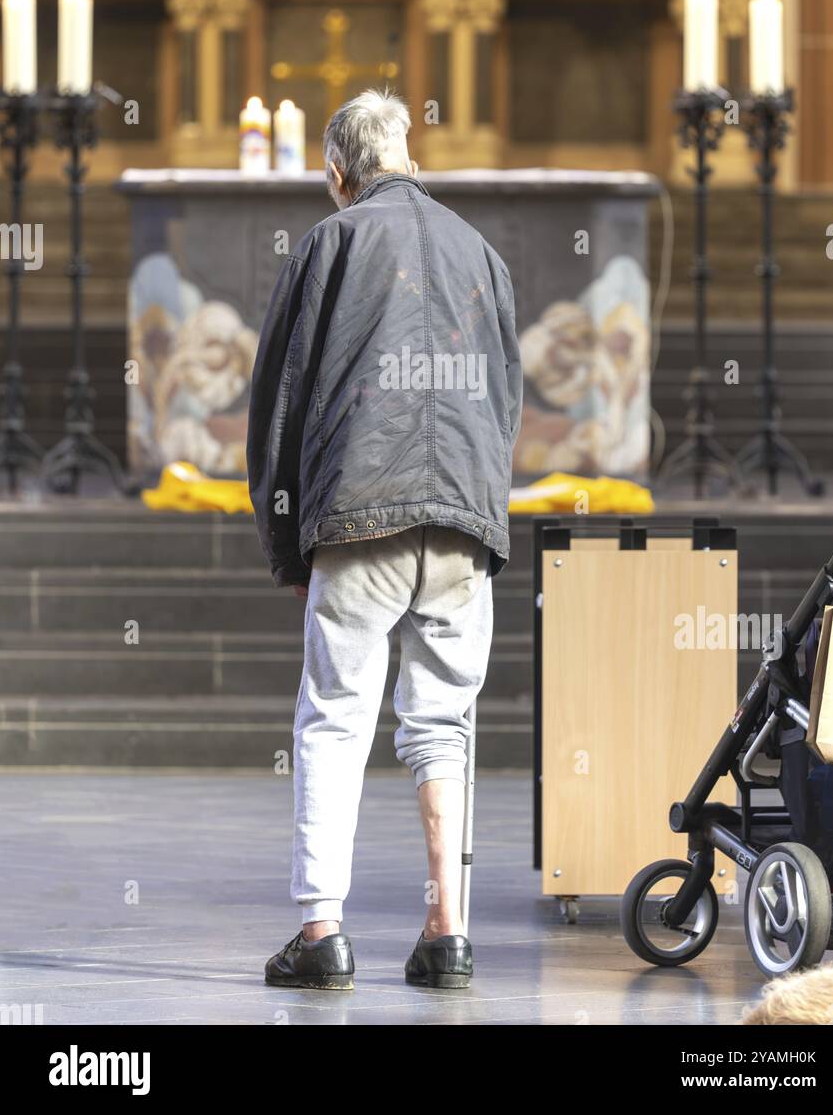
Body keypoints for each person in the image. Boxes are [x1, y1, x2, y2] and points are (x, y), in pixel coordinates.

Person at [247, 88, 522, 991]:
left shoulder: (329, 242)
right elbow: (507, 400)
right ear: (410, 155)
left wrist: (287, 542)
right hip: (460, 518)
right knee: (443, 725)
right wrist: (484, 519)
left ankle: (322, 933)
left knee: (333, 719)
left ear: (337, 174)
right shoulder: (480, 250)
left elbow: (279, 406)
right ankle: (448, 931)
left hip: (357, 506)